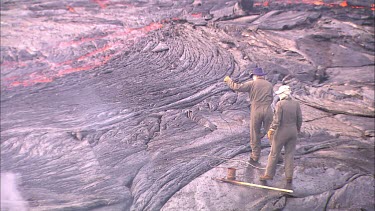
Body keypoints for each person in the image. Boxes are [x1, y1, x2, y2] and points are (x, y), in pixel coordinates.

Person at [224, 67, 273, 163]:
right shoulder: (269, 85)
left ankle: (255, 156)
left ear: (255, 76)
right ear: (262, 76)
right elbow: (271, 97)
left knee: (255, 133)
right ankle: (277, 155)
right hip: (268, 110)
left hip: (256, 110)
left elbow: (237, 87)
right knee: (271, 132)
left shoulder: (252, 83)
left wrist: (229, 81)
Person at [260, 85, 302, 183]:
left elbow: (277, 120)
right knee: (289, 154)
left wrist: (271, 130)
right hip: (293, 132)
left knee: (274, 153)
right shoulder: (296, 103)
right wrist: (297, 130)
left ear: (282, 95)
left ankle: (268, 175)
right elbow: (299, 118)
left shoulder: (280, 104)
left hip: (281, 132)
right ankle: (289, 177)